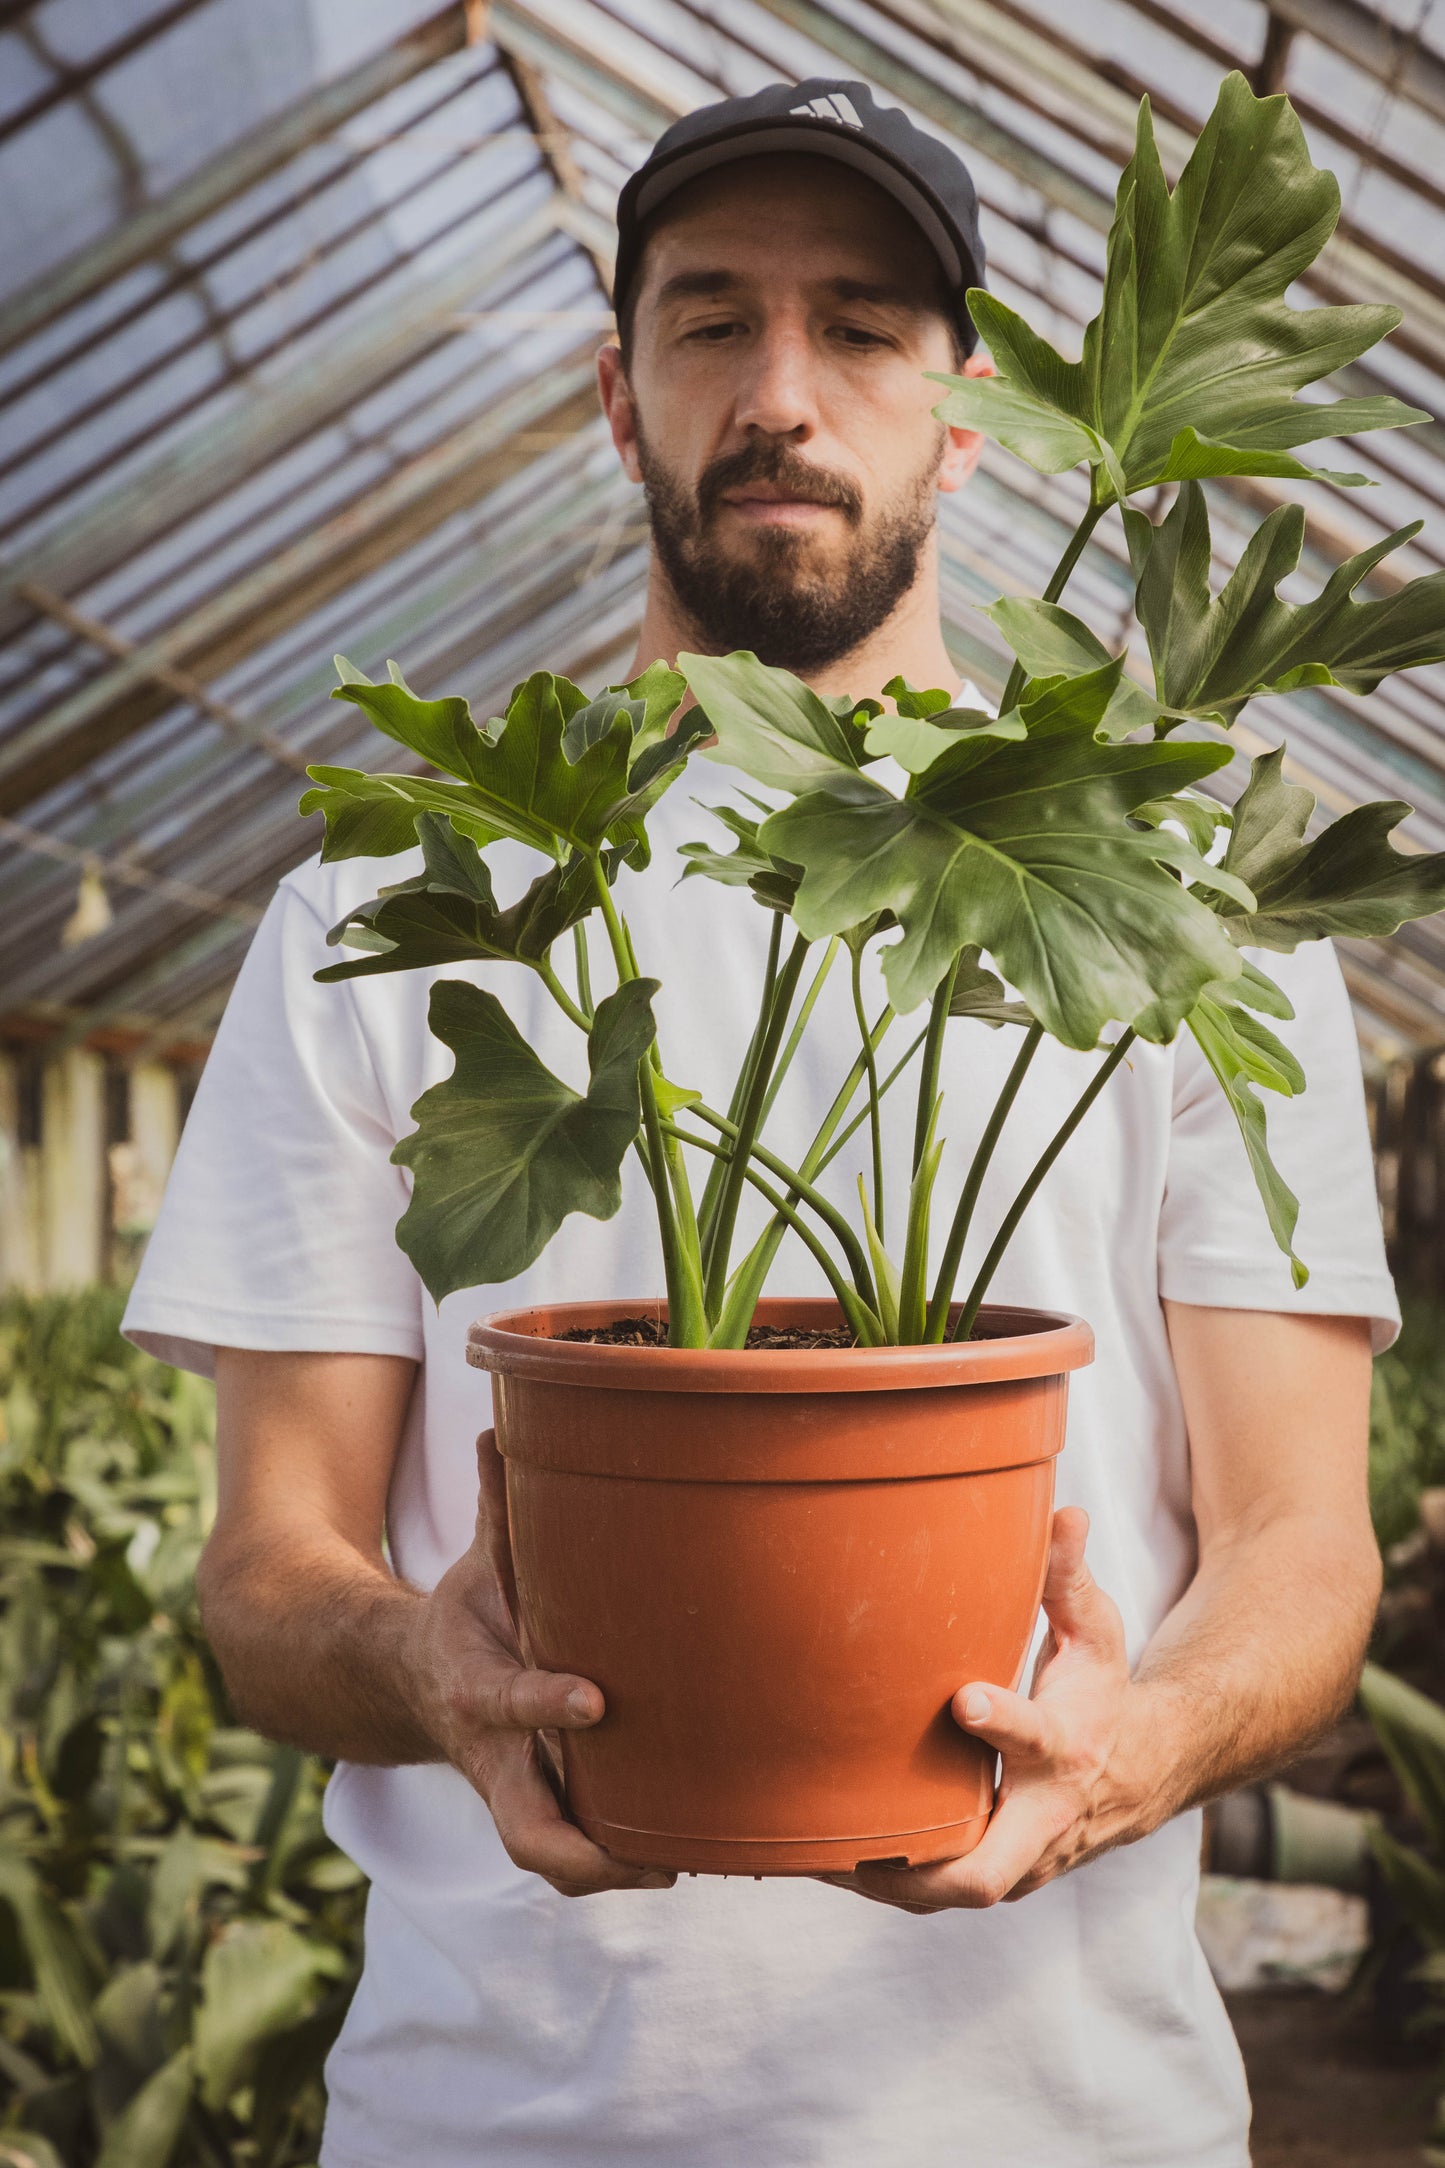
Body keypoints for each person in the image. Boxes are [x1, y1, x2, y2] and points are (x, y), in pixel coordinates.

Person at [125, 78, 1394, 2168]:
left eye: (864, 324)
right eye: (710, 320)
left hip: (1064, 2122)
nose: (782, 390)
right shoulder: (380, 913)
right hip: (497, 2123)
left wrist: (1140, 1740)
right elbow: (269, 1569)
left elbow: (1300, 1540)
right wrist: (430, 1664)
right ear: (617, 397)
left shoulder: (1179, 896)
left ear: (970, 412)